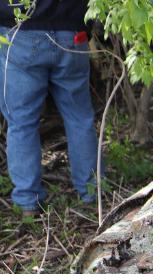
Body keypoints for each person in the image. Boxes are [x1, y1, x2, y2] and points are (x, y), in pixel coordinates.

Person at [0, 0, 97, 216]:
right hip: (72, 30)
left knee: (21, 122)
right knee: (79, 118)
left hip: (19, 32)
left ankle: (27, 203)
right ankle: (92, 194)